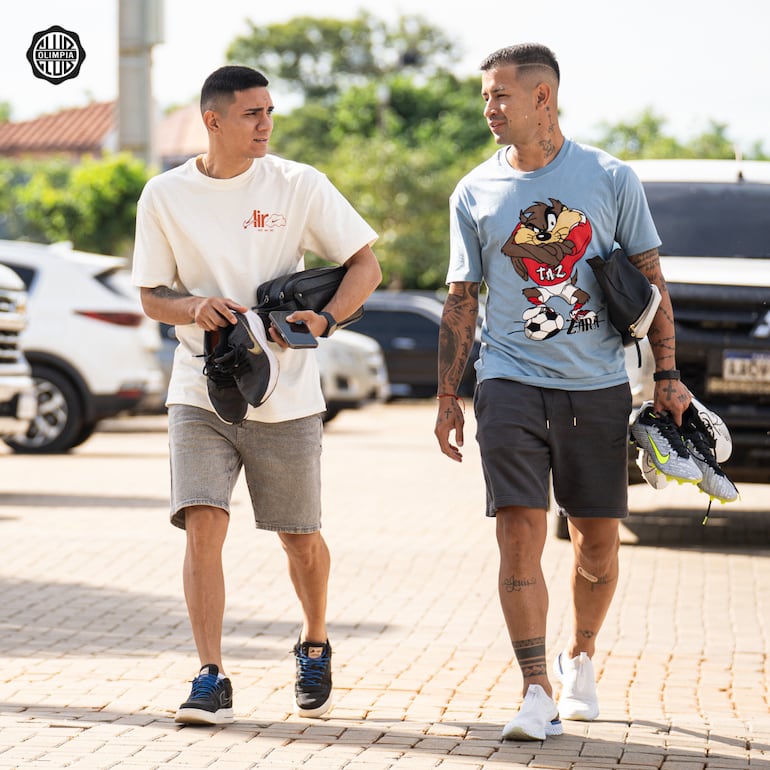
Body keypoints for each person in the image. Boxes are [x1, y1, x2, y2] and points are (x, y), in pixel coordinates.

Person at [434, 43, 690, 742]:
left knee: (597, 542)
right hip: (510, 382)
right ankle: (535, 688)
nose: (489, 109)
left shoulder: (609, 178)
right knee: (518, 532)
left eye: (500, 96)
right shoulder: (473, 192)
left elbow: (652, 281)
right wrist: (449, 395)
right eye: (485, 96)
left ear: (543, 97)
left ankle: (580, 654)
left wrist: (666, 375)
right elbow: (462, 300)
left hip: (599, 386)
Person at [132, 65, 381, 724]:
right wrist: (193, 307)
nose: (266, 123)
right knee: (202, 526)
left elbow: (365, 264)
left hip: (287, 394)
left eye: (270, 111)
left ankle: (315, 640)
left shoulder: (300, 184)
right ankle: (210, 674)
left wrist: (327, 321)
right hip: (201, 388)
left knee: (300, 539)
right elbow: (153, 295)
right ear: (212, 121)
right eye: (251, 113)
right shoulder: (163, 195)